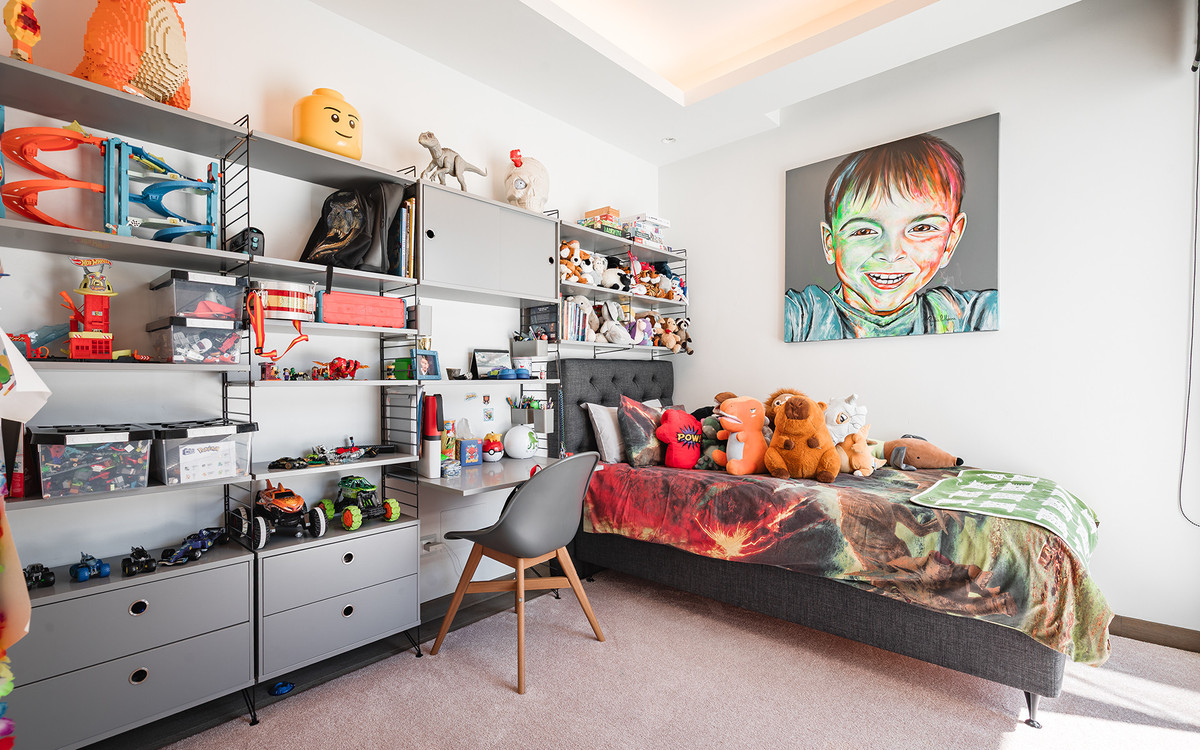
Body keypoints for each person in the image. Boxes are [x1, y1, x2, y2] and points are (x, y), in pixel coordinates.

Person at [784, 134, 998, 342]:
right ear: (830, 243)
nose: (891, 254)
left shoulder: (969, 316)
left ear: (950, 241)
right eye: (864, 232)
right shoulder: (801, 318)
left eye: (921, 228)